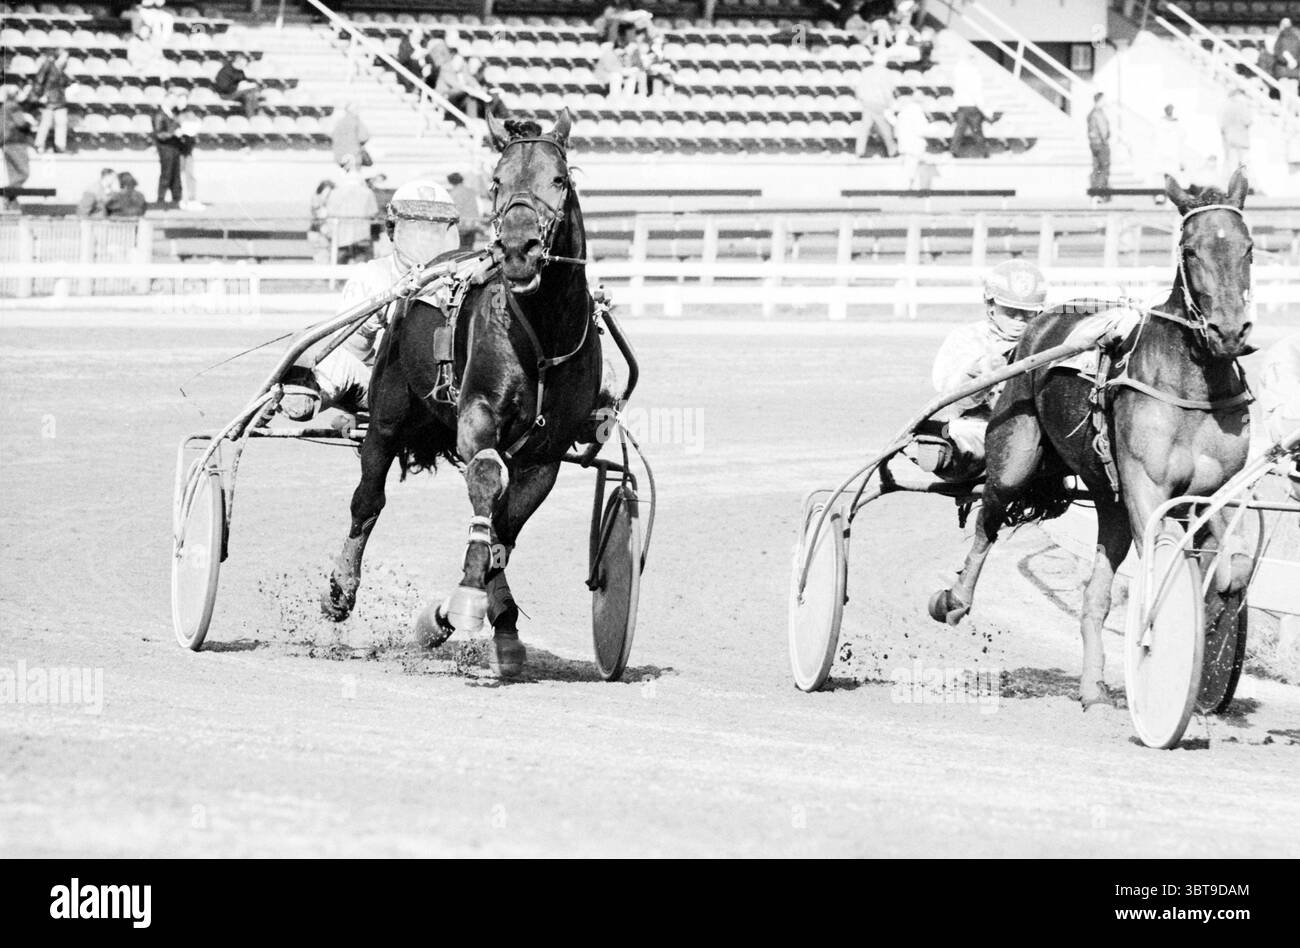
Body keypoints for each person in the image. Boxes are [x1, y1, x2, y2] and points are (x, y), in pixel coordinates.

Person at [280, 179, 462, 423]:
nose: (424, 241)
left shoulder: (463, 276)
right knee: (309, 344)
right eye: (416, 230)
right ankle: (305, 394)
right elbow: (352, 349)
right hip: (388, 390)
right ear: (392, 230)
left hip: (450, 391)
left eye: (433, 232)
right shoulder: (372, 276)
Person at [908, 260, 1049, 479]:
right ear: (991, 306)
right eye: (1010, 311)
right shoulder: (966, 339)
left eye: (1027, 313)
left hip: (1037, 429)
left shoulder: (1049, 343)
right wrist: (980, 371)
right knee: (951, 432)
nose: (1019, 319)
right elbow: (953, 398)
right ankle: (941, 446)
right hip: (977, 425)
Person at [324, 157, 380, 264]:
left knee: (339, 267)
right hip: (362, 236)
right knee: (362, 268)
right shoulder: (368, 193)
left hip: (340, 237)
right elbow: (374, 214)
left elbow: (329, 215)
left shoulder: (334, 193)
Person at [949, 51, 990, 158]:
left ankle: (954, 150)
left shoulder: (959, 73)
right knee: (976, 130)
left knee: (959, 129)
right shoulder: (974, 74)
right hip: (972, 106)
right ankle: (984, 152)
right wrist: (984, 109)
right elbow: (977, 93)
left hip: (961, 106)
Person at [854, 59, 897, 158]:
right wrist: (889, 104)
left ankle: (859, 151)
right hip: (878, 103)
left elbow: (858, 87)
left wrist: (862, 99)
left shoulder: (866, 71)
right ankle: (892, 150)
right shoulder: (886, 72)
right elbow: (887, 90)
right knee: (885, 128)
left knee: (865, 128)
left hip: (867, 103)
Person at [32, 48, 70, 154]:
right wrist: (40, 95)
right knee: (45, 124)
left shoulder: (63, 69)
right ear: (58, 57)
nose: (66, 59)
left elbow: (64, 83)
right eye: (64, 57)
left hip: (60, 100)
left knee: (61, 123)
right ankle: (39, 145)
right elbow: (39, 81)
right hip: (48, 100)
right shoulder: (48, 66)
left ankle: (60, 146)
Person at [2, 88, 35, 204]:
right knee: (24, 173)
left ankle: (10, 203)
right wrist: (30, 124)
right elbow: (21, 123)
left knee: (14, 176)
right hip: (16, 143)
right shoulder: (14, 106)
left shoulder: (3, 107)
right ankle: (6, 195)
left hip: (6, 144)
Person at [152, 87, 184, 206]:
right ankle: (161, 199)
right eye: (172, 100)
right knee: (166, 173)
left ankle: (177, 199)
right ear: (166, 99)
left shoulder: (172, 114)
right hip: (165, 147)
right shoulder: (159, 114)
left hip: (174, 146)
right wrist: (173, 134)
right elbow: (159, 134)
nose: (174, 103)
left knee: (176, 174)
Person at [894, 92, 931, 188]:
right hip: (914, 146)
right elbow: (921, 130)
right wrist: (933, 129)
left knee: (908, 170)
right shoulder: (917, 112)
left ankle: (907, 189)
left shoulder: (904, 111)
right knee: (911, 171)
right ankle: (908, 189)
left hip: (904, 145)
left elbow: (897, 129)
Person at [174, 90, 202, 211]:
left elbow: (193, 128)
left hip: (187, 148)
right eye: (180, 99)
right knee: (178, 175)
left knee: (189, 174)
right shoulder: (174, 113)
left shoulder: (190, 113)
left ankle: (191, 199)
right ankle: (180, 199)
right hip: (176, 148)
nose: (182, 102)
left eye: (184, 100)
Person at [214, 53, 261, 119]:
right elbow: (223, 88)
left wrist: (248, 82)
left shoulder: (241, 71)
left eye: (244, 65)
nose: (243, 66)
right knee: (250, 96)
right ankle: (252, 117)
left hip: (239, 93)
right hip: (226, 94)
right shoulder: (225, 71)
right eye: (241, 64)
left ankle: (253, 116)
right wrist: (238, 87)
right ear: (236, 62)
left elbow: (246, 81)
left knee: (251, 93)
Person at [1219, 89, 1251, 180]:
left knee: (1231, 162)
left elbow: (1222, 124)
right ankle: (1242, 182)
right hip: (1241, 139)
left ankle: (1231, 181)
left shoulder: (1226, 106)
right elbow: (1247, 121)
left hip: (1230, 138)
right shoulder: (1243, 106)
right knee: (1243, 163)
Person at [447, 171, 483, 250]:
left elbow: (454, 210)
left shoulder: (454, 193)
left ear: (451, 182)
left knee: (461, 248)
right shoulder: (471, 191)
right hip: (473, 224)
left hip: (461, 225)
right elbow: (478, 207)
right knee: (470, 247)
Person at [330, 101, 370, 171]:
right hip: (353, 155)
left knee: (343, 173)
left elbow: (333, 137)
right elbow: (364, 137)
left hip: (339, 156)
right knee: (354, 173)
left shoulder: (339, 122)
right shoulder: (357, 122)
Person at [1087, 91, 1110, 201]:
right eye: (1104, 99)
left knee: (1096, 168)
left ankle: (1094, 192)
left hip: (1093, 144)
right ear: (1099, 100)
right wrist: (1105, 140)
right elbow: (1103, 130)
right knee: (1103, 168)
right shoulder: (1098, 113)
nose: (1105, 102)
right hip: (1101, 144)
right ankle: (1100, 193)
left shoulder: (1091, 113)